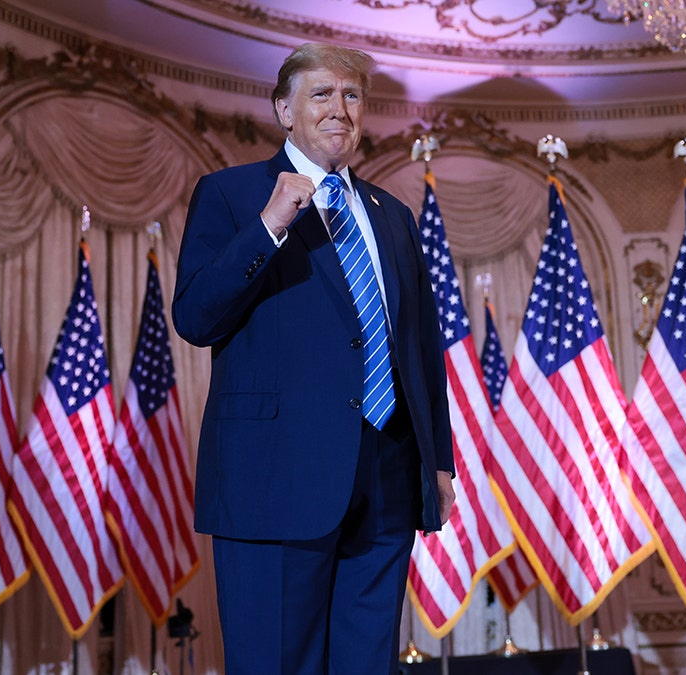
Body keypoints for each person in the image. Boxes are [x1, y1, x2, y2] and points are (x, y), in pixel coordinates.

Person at [172, 42, 456, 675]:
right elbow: (194, 317)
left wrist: (437, 459)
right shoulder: (231, 194)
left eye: (352, 95)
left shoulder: (394, 216)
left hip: (387, 475)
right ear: (284, 111)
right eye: (321, 94)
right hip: (275, 478)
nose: (339, 108)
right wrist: (270, 226)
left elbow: (419, 344)